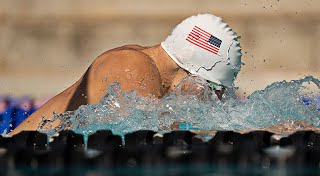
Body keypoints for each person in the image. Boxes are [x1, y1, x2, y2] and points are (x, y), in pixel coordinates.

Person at [10, 14, 242, 135]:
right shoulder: (132, 65)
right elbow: (148, 130)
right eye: (214, 91)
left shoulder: (145, 63)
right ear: (193, 75)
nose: (214, 101)